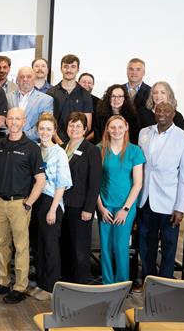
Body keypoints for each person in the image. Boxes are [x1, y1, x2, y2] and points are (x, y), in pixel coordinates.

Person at [0, 107, 46, 304]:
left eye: (17, 119)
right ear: (6, 121)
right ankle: (2, 281)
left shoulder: (32, 147)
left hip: (19, 204)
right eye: (10, 118)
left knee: (21, 247)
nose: (13, 122)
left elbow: (40, 180)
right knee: (2, 244)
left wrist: (28, 203)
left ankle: (20, 286)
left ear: (24, 121)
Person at [138, 101, 184, 280]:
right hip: (145, 198)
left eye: (166, 111)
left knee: (169, 245)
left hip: (170, 203)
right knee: (146, 243)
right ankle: (149, 279)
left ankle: (166, 282)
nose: (162, 113)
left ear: (174, 114)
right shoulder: (144, 133)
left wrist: (181, 208)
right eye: (158, 110)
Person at [97, 115, 144, 284]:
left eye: (120, 127)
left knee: (121, 247)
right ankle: (107, 283)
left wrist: (125, 209)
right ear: (108, 129)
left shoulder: (134, 151)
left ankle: (122, 284)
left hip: (126, 206)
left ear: (126, 128)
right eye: (113, 127)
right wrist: (101, 207)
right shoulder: (100, 149)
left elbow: (138, 184)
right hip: (105, 205)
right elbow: (94, 181)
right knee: (106, 247)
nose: (116, 131)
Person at [31, 113, 72, 301]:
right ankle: (40, 282)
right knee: (38, 245)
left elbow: (62, 183)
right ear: (37, 130)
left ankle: (50, 286)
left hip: (51, 201)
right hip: (35, 200)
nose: (45, 132)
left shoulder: (59, 152)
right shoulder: (35, 149)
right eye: (42, 129)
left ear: (54, 131)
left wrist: (53, 209)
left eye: (49, 129)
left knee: (50, 245)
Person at [60, 112, 101, 284]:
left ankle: (81, 282)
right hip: (62, 205)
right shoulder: (62, 148)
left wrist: (89, 209)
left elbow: (94, 183)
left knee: (80, 248)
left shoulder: (91, 150)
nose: (74, 129)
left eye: (78, 126)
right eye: (71, 125)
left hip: (80, 207)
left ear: (85, 129)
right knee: (65, 244)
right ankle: (67, 280)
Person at [46, 54, 93, 144]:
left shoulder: (85, 94)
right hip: (54, 144)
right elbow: (48, 121)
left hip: (76, 144)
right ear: (61, 69)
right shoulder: (51, 92)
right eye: (66, 67)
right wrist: (59, 142)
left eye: (73, 67)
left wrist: (74, 143)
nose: (69, 70)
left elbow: (88, 126)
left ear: (78, 69)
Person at [6, 67, 53, 142]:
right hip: (9, 141)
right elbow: (2, 119)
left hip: (33, 144)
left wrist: (21, 136)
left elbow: (44, 125)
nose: (25, 79)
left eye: (29, 76)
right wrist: (11, 134)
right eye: (22, 77)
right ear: (17, 79)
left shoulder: (46, 100)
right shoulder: (7, 97)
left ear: (34, 79)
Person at [77, 72, 99, 141]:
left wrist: (84, 141)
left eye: (89, 83)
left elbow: (98, 127)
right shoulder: (70, 99)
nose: (86, 85)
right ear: (77, 83)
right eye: (83, 82)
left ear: (93, 85)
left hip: (90, 142)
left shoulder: (99, 102)